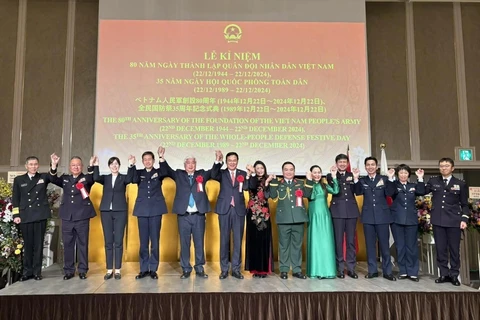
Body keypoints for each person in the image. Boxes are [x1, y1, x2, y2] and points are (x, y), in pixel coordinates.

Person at [160, 150, 223, 279]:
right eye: (188, 163)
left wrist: (217, 160)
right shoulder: (178, 174)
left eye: (192, 163)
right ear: (184, 165)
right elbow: (166, 170)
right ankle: (186, 269)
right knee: (185, 243)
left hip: (198, 215)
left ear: (196, 164)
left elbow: (213, 172)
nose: (190, 165)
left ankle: (199, 268)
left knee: (199, 243)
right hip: (183, 215)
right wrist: (161, 157)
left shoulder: (202, 174)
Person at [49, 154, 96, 280]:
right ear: (70, 167)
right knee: (68, 244)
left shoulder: (86, 178)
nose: (76, 167)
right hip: (67, 217)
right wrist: (54, 165)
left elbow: (92, 177)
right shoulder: (65, 178)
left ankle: (82, 270)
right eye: (73, 165)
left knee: (83, 244)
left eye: (78, 165)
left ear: (81, 166)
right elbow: (53, 179)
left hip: (82, 216)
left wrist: (91, 165)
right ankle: (69, 270)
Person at [425, 158, 469, 286]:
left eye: (446, 166)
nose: (444, 168)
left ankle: (454, 274)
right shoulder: (434, 181)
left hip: (454, 221)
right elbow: (421, 191)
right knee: (440, 249)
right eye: (441, 166)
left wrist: (464, 219)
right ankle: (443, 274)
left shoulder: (460, 183)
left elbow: (465, 204)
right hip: (438, 220)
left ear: (452, 168)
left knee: (454, 250)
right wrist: (420, 179)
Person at [12, 155, 54, 281]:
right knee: (28, 245)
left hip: (40, 215)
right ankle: (26, 272)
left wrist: (53, 164)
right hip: (25, 216)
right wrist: (16, 215)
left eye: (35, 164)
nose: (33, 166)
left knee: (38, 245)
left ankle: (37, 272)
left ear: (38, 165)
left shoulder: (43, 177)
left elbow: (52, 175)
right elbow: (15, 198)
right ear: (26, 166)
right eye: (31, 164)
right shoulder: (19, 180)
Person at [353, 157, 396, 281]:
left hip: (382, 216)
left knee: (384, 245)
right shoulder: (362, 180)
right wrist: (355, 179)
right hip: (368, 217)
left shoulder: (384, 179)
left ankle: (387, 271)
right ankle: (372, 271)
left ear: (376, 167)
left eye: (373, 164)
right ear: (365, 167)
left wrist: (391, 179)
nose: (370, 167)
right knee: (370, 245)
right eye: (368, 165)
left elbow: (390, 193)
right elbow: (358, 193)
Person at [268, 162, 313, 280]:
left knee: (297, 246)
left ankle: (297, 269)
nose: (289, 172)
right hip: (283, 219)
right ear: (282, 172)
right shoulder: (278, 184)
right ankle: (284, 269)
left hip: (298, 218)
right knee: (283, 246)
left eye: (291, 169)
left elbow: (308, 194)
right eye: (286, 170)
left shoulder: (300, 183)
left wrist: (309, 180)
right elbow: (272, 196)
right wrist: (272, 182)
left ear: (294, 171)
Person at [128, 147, 168, 280]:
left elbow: (165, 171)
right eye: (145, 160)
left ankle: (153, 269)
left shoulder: (158, 172)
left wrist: (162, 158)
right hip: (142, 210)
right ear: (142, 161)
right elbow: (131, 179)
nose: (147, 162)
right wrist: (131, 165)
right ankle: (143, 269)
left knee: (155, 241)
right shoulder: (139, 173)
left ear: (153, 160)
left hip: (156, 210)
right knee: (143, 242)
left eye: (150, 159)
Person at [93, 156, 134, 280]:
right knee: (108, 241)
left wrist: (131, 165)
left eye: (116, 164)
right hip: (106, 211)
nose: (114, 166)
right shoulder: (105, 178)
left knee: (118, 241)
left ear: (119, 165)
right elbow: (95, 177)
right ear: (109, 166)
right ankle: (109, 269)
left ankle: (117, 270)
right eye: (112, 164)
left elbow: (130, 178)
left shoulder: (123, 178)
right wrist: (95, 165)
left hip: (120, 211)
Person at [212, 151, 248, 279]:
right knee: (224, 240)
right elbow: (213, 174)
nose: (232, 162)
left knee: (238, 240)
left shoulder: (243, 174)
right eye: (229, 160)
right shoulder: (221, 173)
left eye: (234, 160)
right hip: (224, 209)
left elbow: (248, 186)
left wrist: (251, 174)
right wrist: (217, 161)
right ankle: (224, 269)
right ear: (226, 162)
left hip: (238, 210)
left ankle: (236, 269)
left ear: (237, 161)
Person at [326, 153, 360, 279]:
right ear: (336, 163)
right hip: (337, 211)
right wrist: (334, 176)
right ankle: (339, 268)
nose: (342, 164)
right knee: (338, 241)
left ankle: (351, 268)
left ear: (347, 164)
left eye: (344, 162)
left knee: (351, 241)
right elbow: (335, 190)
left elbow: (358, 191)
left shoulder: (352, 175)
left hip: (351, 211)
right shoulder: (330, 176)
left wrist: (356, 179)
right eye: (340, 162)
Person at [390, 164, 425, 282]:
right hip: (397, 220)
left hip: (411, 220)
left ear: (409, 174)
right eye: (401, 173)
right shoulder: (394, 185)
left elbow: (421, 191)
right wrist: (390, 178)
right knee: (400, 247)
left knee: (412, 247)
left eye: (405, 173)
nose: (403, 175)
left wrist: (420, 178)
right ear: (397, 174)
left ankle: (413, 271)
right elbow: (389, 192)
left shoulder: (412, 186)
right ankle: (403, 270)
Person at [306, 165, 339, 279]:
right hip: (314, 216)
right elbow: (311, 195)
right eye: (314, 172)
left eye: (319, 172)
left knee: (326, 242)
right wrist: (309, 181)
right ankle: (315, 270)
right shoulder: (308, 185)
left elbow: (336, 190)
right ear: (310, 173)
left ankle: (327, 271)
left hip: (325, 216)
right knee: (315, 242)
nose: (317, 174)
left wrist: (334, 177)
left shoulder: (324, 185)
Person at [244, 161, 275, 278]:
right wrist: (249, 174)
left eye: (262, 168)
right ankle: (254, 269)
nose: (260, 170)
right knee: (254, 241)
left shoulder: (268, 179)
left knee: (264, 241)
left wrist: (267, 183)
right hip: (252, 213)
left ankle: (263, 270)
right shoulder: (251, 178)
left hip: (264, 214)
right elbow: (247, 187)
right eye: (257, 168)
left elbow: (267, 196)